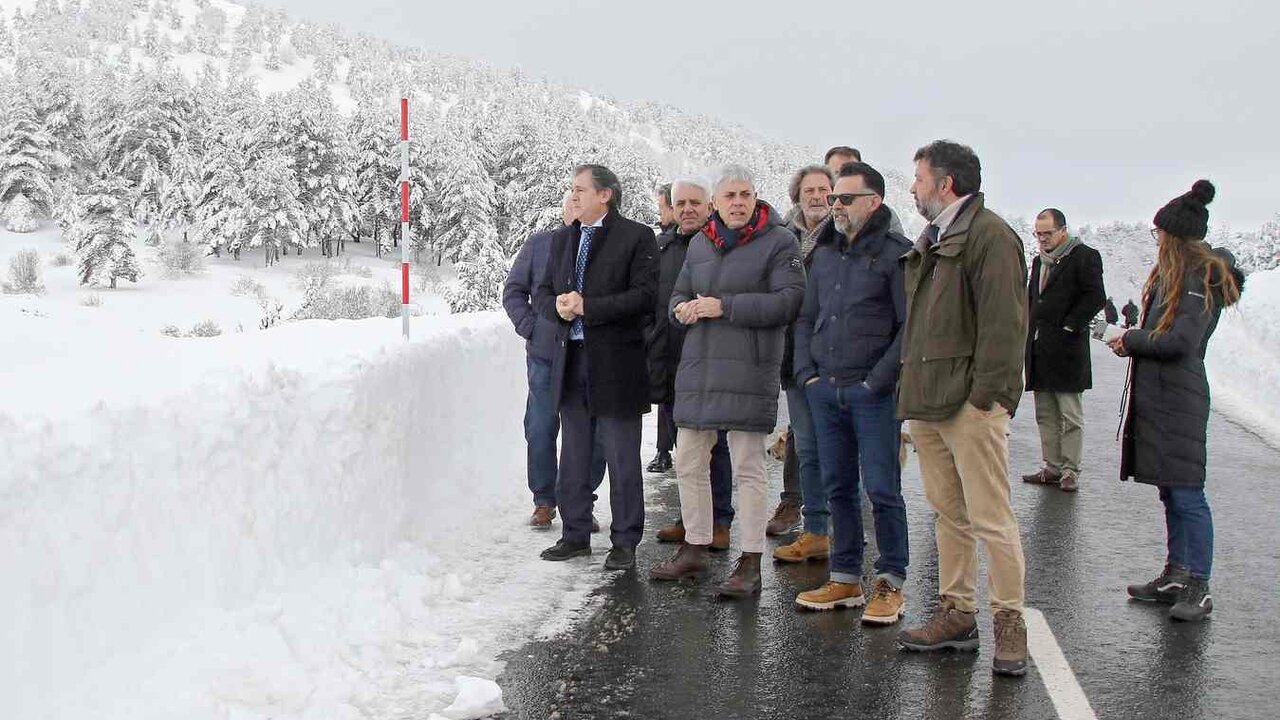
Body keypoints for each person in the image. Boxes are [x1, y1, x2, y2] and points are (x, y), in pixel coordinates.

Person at [895, 140, 1030, 677]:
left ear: (945, 183)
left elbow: (1006, 323)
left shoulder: (991, 235)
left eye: (919, 178)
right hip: (929, 401)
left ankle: (1010, 620)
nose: (913, 187)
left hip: (969, 404)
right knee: (949, 514)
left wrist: (988, 397)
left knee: (991, 517)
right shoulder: (935, 237)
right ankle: (957, 613)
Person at [650, 164, 805, 598]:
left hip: (749, 369)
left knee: (749, 468)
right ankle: (695, 546)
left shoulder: (780, 241)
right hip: (699, 369)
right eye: (729, 196)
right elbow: (677, 295)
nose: (737, 202)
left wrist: (725, 306)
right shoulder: (700, 243)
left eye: (745, 194)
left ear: (755, 197)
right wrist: (681, 310)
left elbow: (789, 301)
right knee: (689, 462)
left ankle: (751, 561)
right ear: (715, 203)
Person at [1109, 180, 1242, 623]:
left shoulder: (1199, 277)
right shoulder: (1175, 276)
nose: (1157, 239)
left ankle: (1199, 584)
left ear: (1174, 237)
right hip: (1163, 395)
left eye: (1159, 233)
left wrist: (1131, 339)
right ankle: (1176, 574)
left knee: (1187, 493)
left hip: (1180, 397)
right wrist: (1134, 337)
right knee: (1171, 489)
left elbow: (1182, 341)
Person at [792, 162, 911, 624]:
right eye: (833, 199)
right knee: (837, 486)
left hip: (873, 394)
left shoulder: (898, 254)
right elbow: (806, 317)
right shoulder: (822, 252)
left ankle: (890, 582)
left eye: (845, 199)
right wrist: (807, 375)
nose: (834, 206)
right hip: (825, 390)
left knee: (882, 488)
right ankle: (845, 577)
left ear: (873, 202)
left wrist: (875, 383)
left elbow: (908, 327)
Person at [534, 164, 657, 571]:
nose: (574, 196)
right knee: (574, 454)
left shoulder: (636, 237)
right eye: (572, 189)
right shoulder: (564, 239)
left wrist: (590, 307)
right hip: (572, 361)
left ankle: (625, 542)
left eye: (581, 189)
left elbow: (644, 297)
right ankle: (575, 534)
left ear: (605, 195)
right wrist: (558, 307)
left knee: (621, 457)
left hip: (617, 363)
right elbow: (544, 291)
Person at [503, 195, 606, 529]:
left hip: (589, 355)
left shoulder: (604, 248)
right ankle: (544, 501)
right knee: (540, 427)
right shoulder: (539, 245)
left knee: (591, 434)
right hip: (546, 355)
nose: (577, 211)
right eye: (571, 205)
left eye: (583, 204)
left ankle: (581, 501)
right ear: (563, 212)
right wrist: (531, 328)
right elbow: (514, 291)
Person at [647, 178, 735, 551]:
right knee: (685, 450)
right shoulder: (662, 248)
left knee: (716, 445)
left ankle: (720, 520)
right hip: (671, 360)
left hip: (713, 360)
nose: (687, 209)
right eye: (680, 203)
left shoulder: (723, 246)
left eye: (695, 203)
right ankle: (691, 518)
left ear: (710, 205)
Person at [768, 165, 832, 557]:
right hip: (795, 360)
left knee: (841, 449)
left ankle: (846, 529)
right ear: (797, 196)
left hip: (836, 361)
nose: (816, 197)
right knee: (806, 447)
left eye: (824, 189)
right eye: (808, 190)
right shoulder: (784, 239)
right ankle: (816, 529)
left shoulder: (845, 236)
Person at [1021, 208, 1106, 493]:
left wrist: (1071, 325)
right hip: (1039, 348)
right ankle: (1052, 466)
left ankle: (1070, 469)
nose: (1042, 239)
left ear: (1063, 230)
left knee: (1069, 414)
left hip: (1068, 350)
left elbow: (1095, 295)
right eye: (1038, 234)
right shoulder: (1038, 262)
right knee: (1045, 412)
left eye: (1047, 233)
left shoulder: (1085, 257)